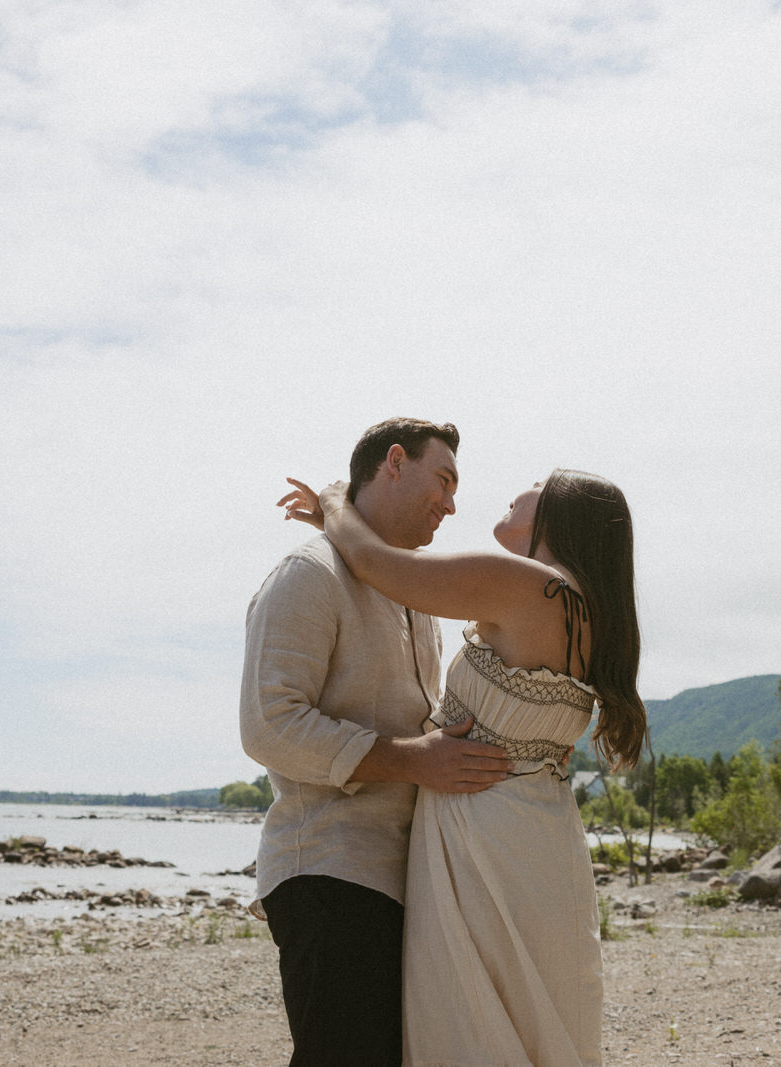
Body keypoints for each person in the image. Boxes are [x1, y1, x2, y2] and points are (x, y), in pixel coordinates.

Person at [281, 467, 645, 1067]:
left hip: (484, 837)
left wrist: (336, 500)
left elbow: (377, 565)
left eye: (536, 482)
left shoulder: (524, 583)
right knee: (533, 1024)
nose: (518, 486)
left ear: (559, 513)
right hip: (540, 836)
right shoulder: (591, 611)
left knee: (470, 1024)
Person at [239, 417, 513, 1067]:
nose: (451, 502)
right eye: (442, 479)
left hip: (402, 883)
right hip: (328, 872)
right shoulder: (307, 573)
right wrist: (413, 759)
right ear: (395, 462)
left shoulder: (413, 595)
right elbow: (267, 723)